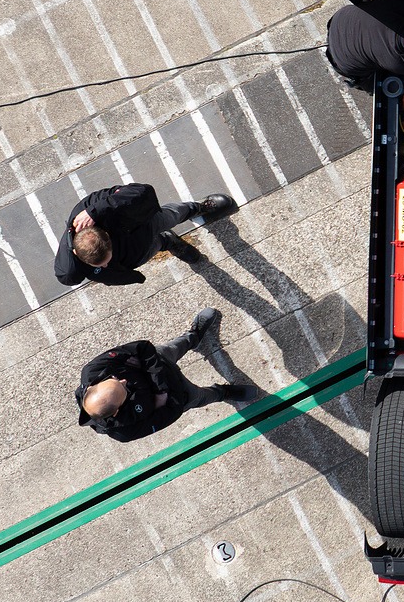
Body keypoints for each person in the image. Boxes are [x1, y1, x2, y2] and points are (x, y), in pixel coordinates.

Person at [75, 309, 254, 441]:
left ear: (92, 387)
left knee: (174, 347)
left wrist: (160, 393)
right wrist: (169, 392)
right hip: (178, 393)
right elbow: (171, 414)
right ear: (116, 412)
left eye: (114, 379)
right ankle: (223, 392)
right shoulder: (124, 432)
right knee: (200, 397)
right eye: (123, 388)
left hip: (158, 364)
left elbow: (142, 347)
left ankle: (193, 337)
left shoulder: (93, 370)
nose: (122, 380)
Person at [54, 182, 234, 287]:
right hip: (138, 253)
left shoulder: (89, 209)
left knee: (173, 215)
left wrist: (97, 210)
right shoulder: (72, 266)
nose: (107, 265)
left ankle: (198, 208)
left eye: (106, 260)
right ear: (77, 254)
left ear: (107, 236)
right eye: (102, 264)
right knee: (157, 245)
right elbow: (64, 274)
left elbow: (141, 191)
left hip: (144, 225)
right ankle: (169, 242)